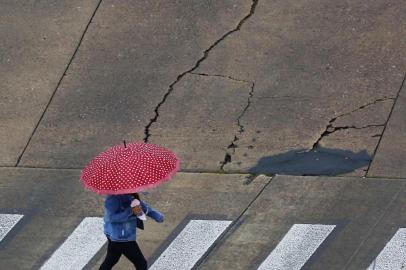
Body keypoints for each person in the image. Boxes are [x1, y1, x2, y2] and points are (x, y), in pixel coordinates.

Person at [99, 193, 164, 270]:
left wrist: (156, 215)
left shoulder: (130, 194)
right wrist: (130, 212)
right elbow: (110, 218)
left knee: (111, 260)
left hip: (119, 237)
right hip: (122, 238)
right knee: (141, 263)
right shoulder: (113, 199)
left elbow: (141, 206)